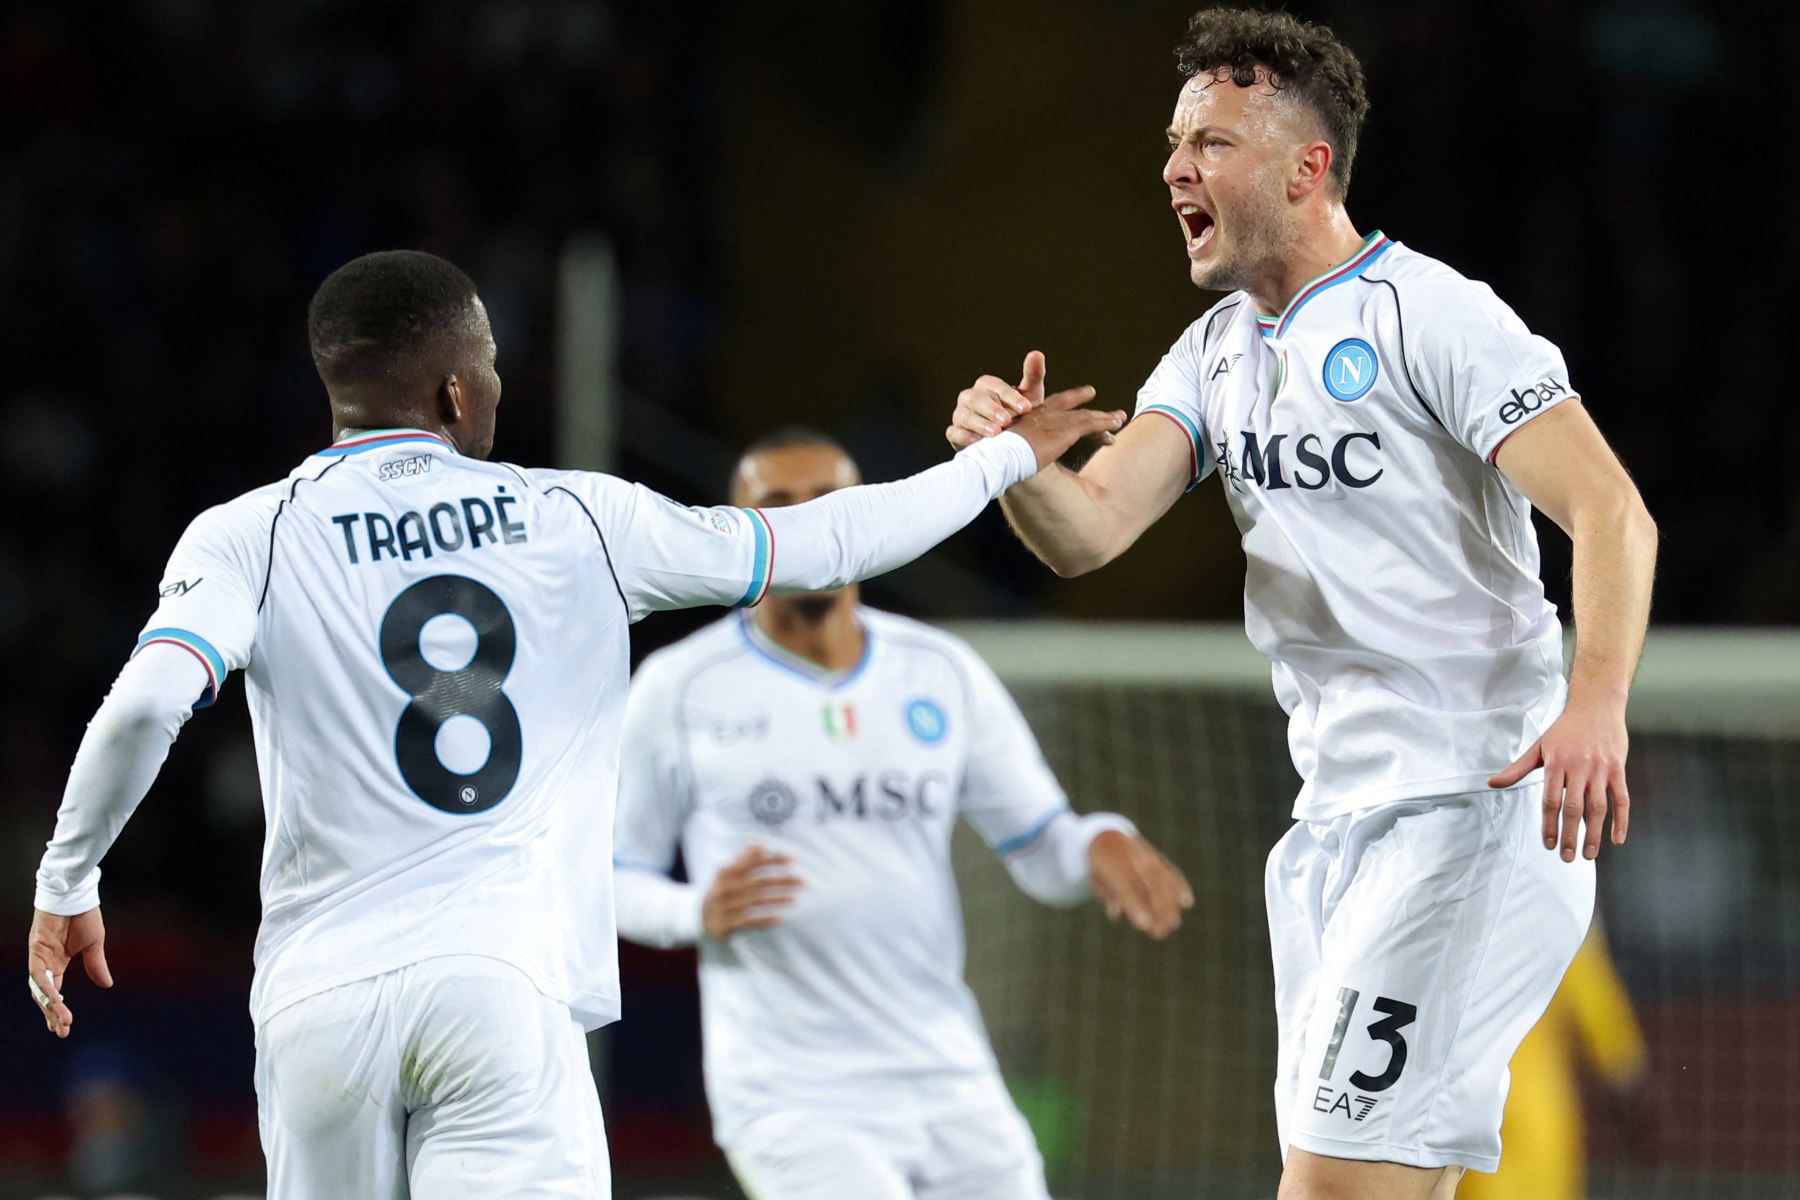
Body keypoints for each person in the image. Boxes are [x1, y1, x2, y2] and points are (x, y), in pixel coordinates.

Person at [25, 249, 1124, 1199]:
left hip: (318, 998)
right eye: (492, 360)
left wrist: (67, 880)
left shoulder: (244, 534)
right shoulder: (580, 518)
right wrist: (1005, 459)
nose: (499, 380)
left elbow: (151, 700)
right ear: (457, 393)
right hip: (500, 981)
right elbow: (829, 542)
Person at [944, 10, 1658, 1200]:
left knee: (1330, 1189)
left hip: (1469, 809)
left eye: (1212, 142)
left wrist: (1598, 701)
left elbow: (1611, 513)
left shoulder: (1432, 316)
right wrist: (1018, 468)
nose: (1176, 166)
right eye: (1175, 142)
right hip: (1331, 831)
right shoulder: (1213, 354)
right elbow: (1093, 531)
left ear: (1305, 166)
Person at [613, 429, 1193, 1200]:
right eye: (777, 508)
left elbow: (1040, 846)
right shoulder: (680, 685)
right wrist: (696, 911)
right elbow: (608, 877)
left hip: (946, 1070)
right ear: (741, 526)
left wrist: (1097, 842)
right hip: (792, 1091)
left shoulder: (940, 671)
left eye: (827, 505)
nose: (806, 527)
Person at [1459, 925, 1647, 1200]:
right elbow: (1607, 1031)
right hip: (1532, 1127)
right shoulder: (1559, 914)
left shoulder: (1452, 913)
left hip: (1455, 1113)